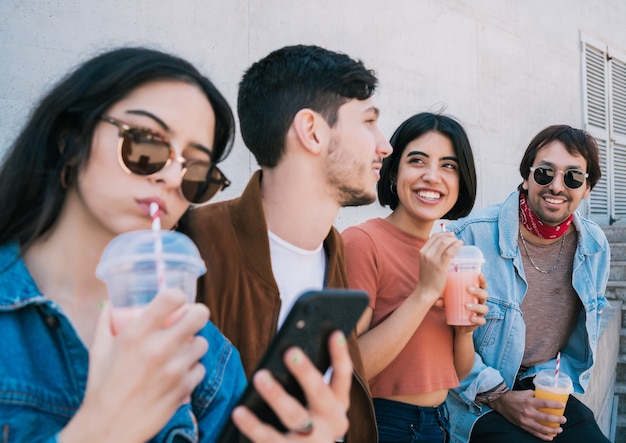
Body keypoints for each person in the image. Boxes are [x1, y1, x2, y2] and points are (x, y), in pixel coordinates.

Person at [0, 46, 353, 443]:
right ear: (69, 141)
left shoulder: (206, 356)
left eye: (195, 171)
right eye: (146, 145)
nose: (171, 177)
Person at [179, 44, 393, 442]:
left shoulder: (335, 249)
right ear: (311, 131)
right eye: (368, 122)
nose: (385, 145)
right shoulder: (194, 244)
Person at [445, 125, 611, 443]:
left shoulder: (594, 246)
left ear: (587, 188)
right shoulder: (470, 236)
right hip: (471, 397)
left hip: (541, 383)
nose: (557, 186)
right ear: (526, 177)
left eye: (573, 177)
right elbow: (442, 342)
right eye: (545, 173)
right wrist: (501, 398)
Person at [341, 112, 489, 442]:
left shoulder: (452, 254)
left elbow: (457, 372)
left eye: (448, 166)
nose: (432, 176)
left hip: (439, 422)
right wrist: (424, 294)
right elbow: (350, 368)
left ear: (461, 181)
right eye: (417, 161)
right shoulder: (362, 242)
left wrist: (464, 332)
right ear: (393, 172)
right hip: (383, 422)